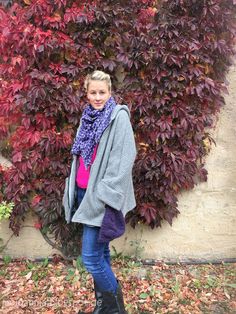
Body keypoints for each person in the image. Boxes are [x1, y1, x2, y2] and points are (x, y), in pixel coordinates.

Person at [63, 70, 137, 314]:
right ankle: (103, 305)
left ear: (110, 92)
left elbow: (125, 159)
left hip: (101, 198)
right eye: (93, 92)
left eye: (102, 92)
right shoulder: (88, 118)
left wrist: (106, 194)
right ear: (87, 93)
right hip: (84, 195)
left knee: (91, 259)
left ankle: (115, 309)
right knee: (101, 253)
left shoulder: (118, 118)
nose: (97, 97)